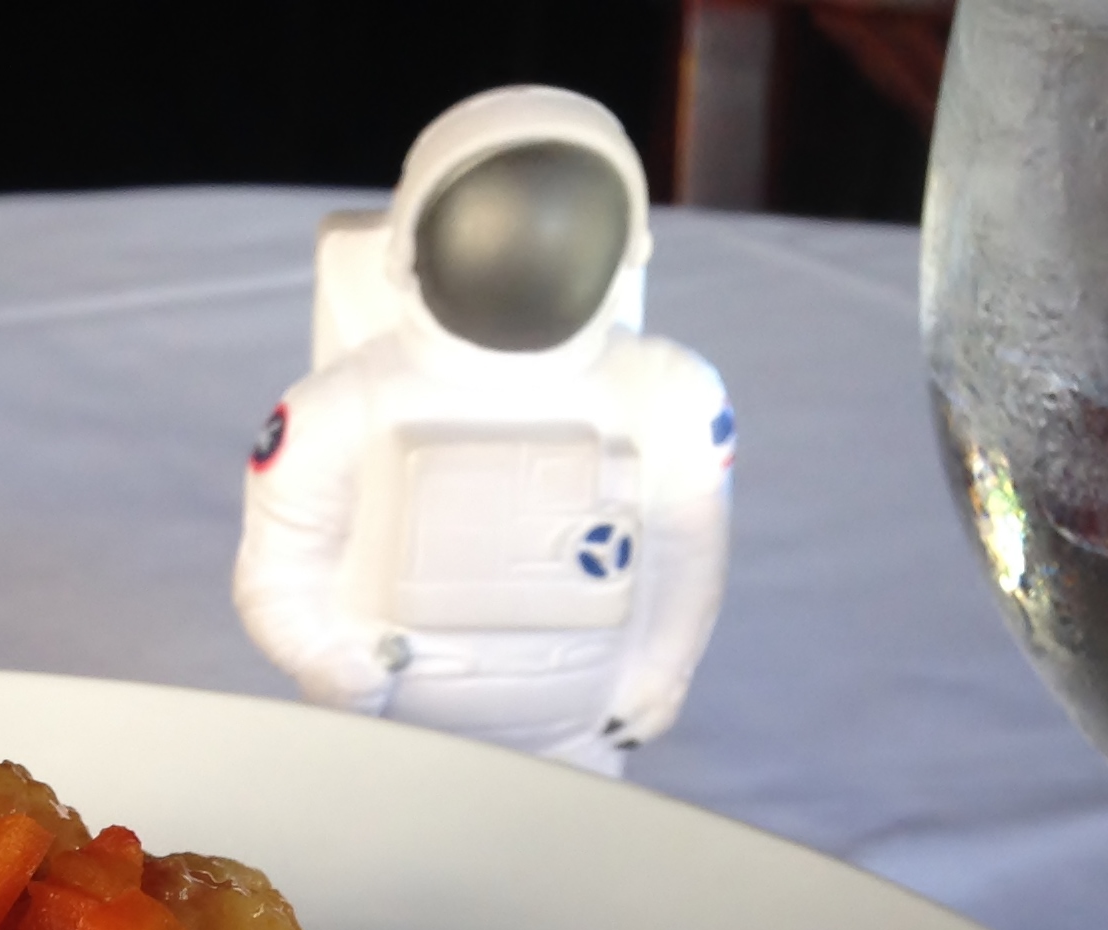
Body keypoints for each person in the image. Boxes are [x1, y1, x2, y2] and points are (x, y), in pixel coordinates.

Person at [232, 86, 735, 777]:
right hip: (391, 735)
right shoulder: (348, 405)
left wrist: (658, 674)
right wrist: (326, 659)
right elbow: (282, 563)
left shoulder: (665, 398)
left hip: (574, 737)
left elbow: (687, 550)